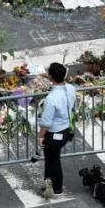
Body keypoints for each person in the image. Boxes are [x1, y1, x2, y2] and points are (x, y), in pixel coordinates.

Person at [38, 62, 75, 197]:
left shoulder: (51, 98)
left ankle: (56, 188)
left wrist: (40, 136)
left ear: (51, 76)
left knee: (53, 160)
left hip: (54, 134)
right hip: (66, 130)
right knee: (52, 158)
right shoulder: (70, 88)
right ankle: (48, 184)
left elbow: (46, 122)